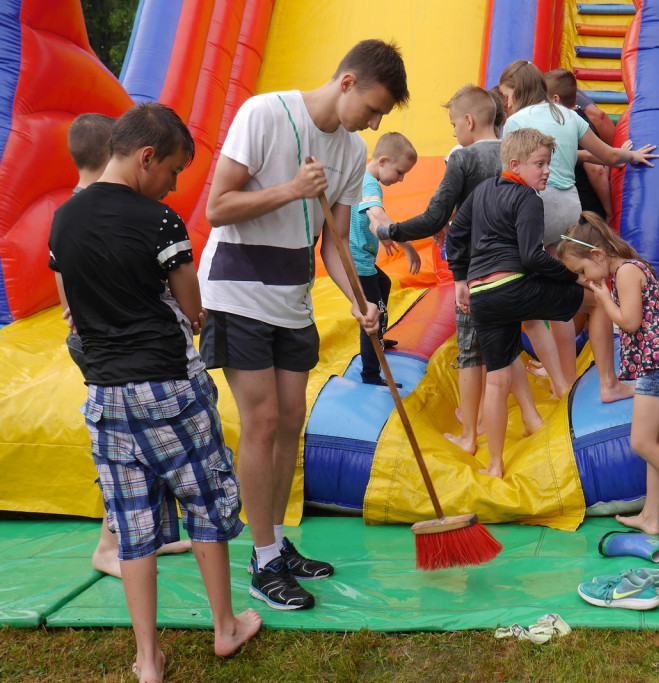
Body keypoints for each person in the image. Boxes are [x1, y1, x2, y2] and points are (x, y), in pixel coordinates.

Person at [48, 102, 262, 682]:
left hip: (105, 396)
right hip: (169, 387)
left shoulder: (63, 220)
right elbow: (192, 308)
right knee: (207, 505)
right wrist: (193, 313)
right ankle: (225, 626)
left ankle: (147, 660)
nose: (171, 184)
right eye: (172, 171)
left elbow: (71, 303)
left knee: (133, 525)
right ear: (147, 157)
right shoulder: (159, 221)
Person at [197, 39, 407, 610]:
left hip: (291, 295)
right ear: (346, 82)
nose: (374, 120)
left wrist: (360, 301)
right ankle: (262, 559)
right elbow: (216, 207)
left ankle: (276, 541)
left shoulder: (350, 153)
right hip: (237, 288)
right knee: (262, 418)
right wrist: (291, 188)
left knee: (292, 418)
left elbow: (333, 246)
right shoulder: (264, 113)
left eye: (382, 114)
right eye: (373, 107)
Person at [58, 112, 194, 579]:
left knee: (127, 444)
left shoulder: (74, 210)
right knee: (125, 447)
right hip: (112, 344)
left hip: (101, 339)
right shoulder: (95, 210)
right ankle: (109, 543)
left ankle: (142, 536)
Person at [375, 84, 542, 453]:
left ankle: (469, 436)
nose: (453, 133)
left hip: (477, 271)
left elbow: (436, 214)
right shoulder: (512, 155)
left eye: (453, 125)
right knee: (505, 342)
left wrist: (391, 230)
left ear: (469, 121)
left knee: (471, 350)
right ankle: (530, 416)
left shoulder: (464, 159)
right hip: (513, 267)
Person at [499, 60, 653, 402]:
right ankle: (588, 379)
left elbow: (508, 172)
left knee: (532, 295)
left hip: (532, 206)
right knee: (567, 297)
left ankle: (558, 378)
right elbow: (605, 155)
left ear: (518, 91)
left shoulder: (516, 123)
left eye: (507, 95)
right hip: (567, 208)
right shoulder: (567, 116)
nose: (505, 103)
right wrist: (629, 155)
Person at [557, 212, 659, 536]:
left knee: (642, 442)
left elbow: (629, 322)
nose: (586, 280)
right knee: (655, 442)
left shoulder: (627, 272)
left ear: (598, 254)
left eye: (583, 271)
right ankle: (650, 515)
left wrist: (602, 299)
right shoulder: (627, 269)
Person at [447, 128, 588, 478]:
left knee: (497, 382)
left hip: (482, 298)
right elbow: (531, 258)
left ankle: (494, 464)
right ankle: (607, 382)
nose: (546, 172)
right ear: (515, 164)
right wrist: (572, 276)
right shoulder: (528, 199)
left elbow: (455, 233)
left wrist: (461, 277)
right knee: (595, 301)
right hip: (512, 288)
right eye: (540, 164)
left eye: (548, 165)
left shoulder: (482, 191)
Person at [350, 131, 420, 386]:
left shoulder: (363, 177)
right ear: (382, 161)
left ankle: (380, 336)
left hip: (360, 256)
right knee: (372, 313)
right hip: (357, 261)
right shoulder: (369, 183)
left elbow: (368, 217)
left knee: (385, 284)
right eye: (399, 172)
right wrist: (408, 246)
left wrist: (376, 231)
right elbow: (377, 213)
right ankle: (370, 373)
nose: (401, 179)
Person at [544, 68, 613, 220]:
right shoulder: (581, 117)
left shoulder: (571, 124)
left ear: (556, 99)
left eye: (544, 100)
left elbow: (596, 170)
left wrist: (609, 211)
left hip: (587, 208)